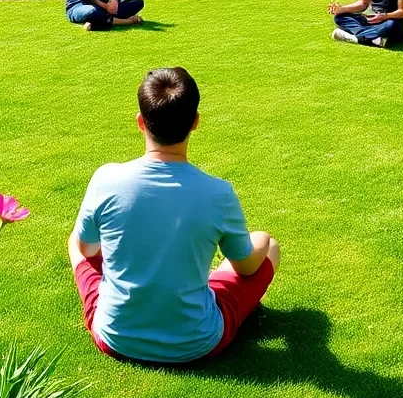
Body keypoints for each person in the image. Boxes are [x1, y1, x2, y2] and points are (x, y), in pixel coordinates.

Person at [68, 67, 279, 364]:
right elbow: (245, 267)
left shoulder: (106, 179)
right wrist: (261, 241)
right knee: (267, 245)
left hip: (115, 336)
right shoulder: (217, 193)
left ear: (140, 122)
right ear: (195, 122)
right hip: (197, 342)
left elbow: (88, 251)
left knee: (76, 242)